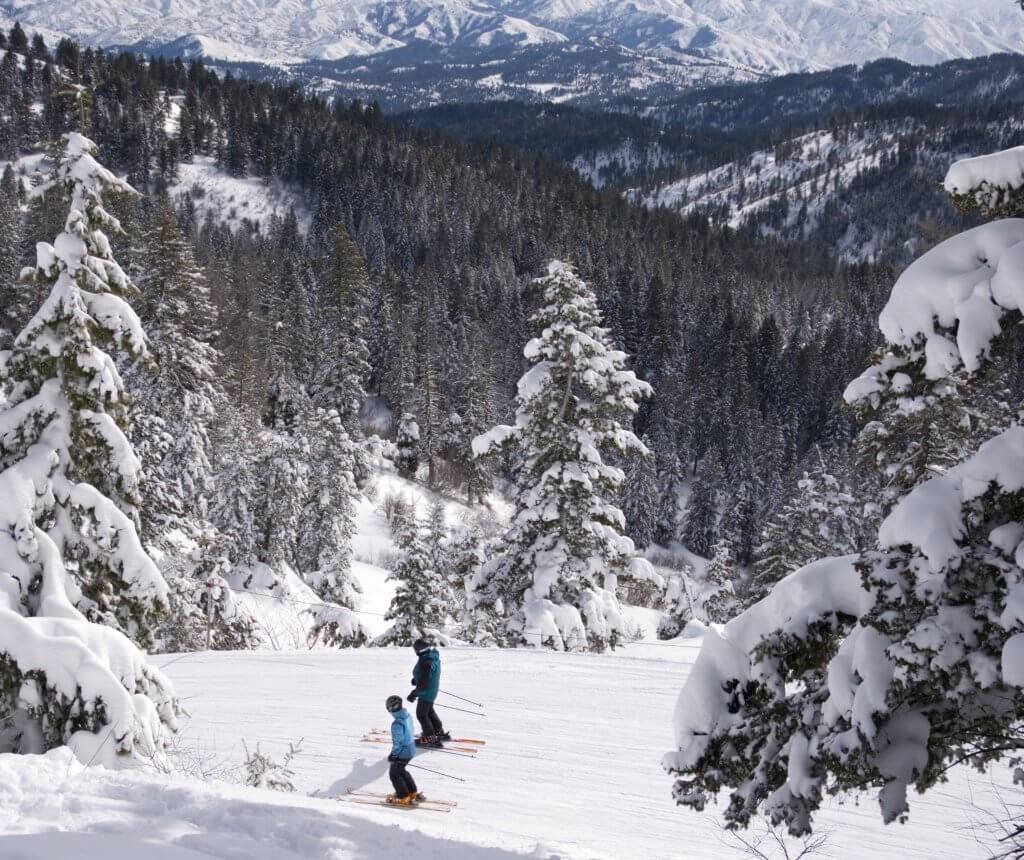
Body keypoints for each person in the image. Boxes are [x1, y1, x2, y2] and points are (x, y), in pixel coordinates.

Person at [407, 638, 450, 746]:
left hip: (426, 692)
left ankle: (429, 737)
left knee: (421, 714)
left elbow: (423, 683)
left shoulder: (427, 661)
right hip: (432, 690)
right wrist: (416, 679)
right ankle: (438, 732)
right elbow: (426, 675)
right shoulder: (431, 656)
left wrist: (414, 693)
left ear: (419, 650)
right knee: (429, 712)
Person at [385, 694, 422, 805]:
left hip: (404, 752)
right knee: (401, 770)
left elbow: (398, 743)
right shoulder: (407, 716)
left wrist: (394, 755)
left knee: (394, 774)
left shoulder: (397, 724)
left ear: (391, 709)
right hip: (411, 749)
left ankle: (403, 796)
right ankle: (412, 792)